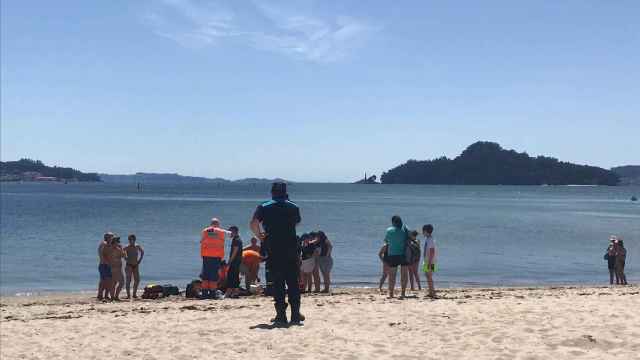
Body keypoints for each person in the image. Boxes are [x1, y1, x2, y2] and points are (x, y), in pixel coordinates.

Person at [250, 182, 304, 325]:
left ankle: (281, 315)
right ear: (285, 192)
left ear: (272, 192)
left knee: (278, 283)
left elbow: (253, 223)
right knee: (292, 282)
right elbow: (297, 223)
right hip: (291, 248)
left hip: (274, 248)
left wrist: (259, 235)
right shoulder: (293, 206)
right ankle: (295, 315)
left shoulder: (264, 206)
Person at [200, 218, 231, 299]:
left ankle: (204, 294)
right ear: (218, 224)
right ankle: (212, 294)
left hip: (205, 256)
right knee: (213, 276)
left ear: (211, 224)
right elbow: (231, 234)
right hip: (216, 257)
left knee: (205, 275)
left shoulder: (205, 231)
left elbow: (202, 241)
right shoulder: (221, 231)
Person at [384, 215, 410, 298]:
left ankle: (391, 294)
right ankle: (403, 293)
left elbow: (386, 241)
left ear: (393, 222)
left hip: (392, 255)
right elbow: (410, 238)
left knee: (392, 275)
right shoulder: (405, 228)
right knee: (404, 275)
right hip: (404, 254)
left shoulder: (389, 230)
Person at [123, 234, 144, 299]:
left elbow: (142, 252)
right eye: (130, 240)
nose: (131, 241)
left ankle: (134, 294)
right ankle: (128, 295)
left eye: (132, 239)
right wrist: (125, 258)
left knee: (137, 280)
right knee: (128, 280)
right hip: (129, 265)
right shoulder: (127, 247)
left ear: (134, 240)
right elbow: (121, 252)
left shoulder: (137, 246)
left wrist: (140, 260)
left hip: (135, 265)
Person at [225, 226, 243, 298]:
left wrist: (229, 261)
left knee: (232, 276)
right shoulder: (237, 239)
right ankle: (233, 292)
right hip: (237, 261)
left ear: (234, 231)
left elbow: (235, 252)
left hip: (235, 261)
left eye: (229, 232)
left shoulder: (236, 240)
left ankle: (231, 292)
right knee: (234, 276)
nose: (229, 234)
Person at [97, 232, 114, 301]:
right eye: (111, 237)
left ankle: (104, 295)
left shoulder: (108, 244)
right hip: (104, 265)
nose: (112, 238)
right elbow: (101, 254)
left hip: (106, 265)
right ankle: (100, 295)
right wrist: (106, 262)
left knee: (107, 281)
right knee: (105, 281)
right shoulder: (104, 243)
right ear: (107, 237)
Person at [422, 224, 437, 298]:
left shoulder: (430, 240)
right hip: (427, 260)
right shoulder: (428, 239)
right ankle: (430, 292)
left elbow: (432, 251)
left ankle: (433, 292)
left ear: (426, 231)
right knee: (427, 276)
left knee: (429, 276)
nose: (422, 233)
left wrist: (430, 262)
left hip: (430, 261)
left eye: (423, 231)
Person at [109, 235, 125, 301]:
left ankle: (113, 297)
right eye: (117, 241)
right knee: (121, 282)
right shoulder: (116, 249)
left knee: (114, 283)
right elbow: (123, 255)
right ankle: (115, 297)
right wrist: (121, 249)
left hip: (114, 268)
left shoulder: (110, 248)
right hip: (116, 268)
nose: (118, 243)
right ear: (114, 242)